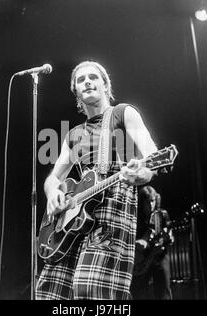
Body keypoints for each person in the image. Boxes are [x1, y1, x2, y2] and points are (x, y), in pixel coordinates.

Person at [36, 60, 159, 300]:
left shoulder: (123, 113)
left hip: (113, 205)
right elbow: (53, 179)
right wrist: (53, 193)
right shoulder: (73, 135)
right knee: (51, 292)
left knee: (91, 290)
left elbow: (152, 157)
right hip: (75, 215)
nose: (87, 82)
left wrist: (142, 174)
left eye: (93, 77)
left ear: (105, 85)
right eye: (81, 80)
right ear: (76, 92)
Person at [131, 186, 174, 300]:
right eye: (147, 202)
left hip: (160, 256)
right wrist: (139, 243)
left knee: (164, 291)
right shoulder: (135, 217)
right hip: (142, 259)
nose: (151, 204)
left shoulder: (162, 214)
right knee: (139, 292)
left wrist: (168, 237)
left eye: (153, 201)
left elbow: (170, 236)